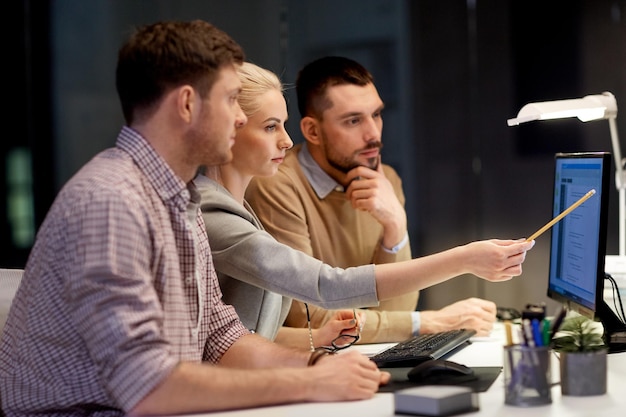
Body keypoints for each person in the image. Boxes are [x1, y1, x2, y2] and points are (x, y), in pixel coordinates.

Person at [0, 22, 390, 417]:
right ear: (187, 104)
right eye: (232, 99)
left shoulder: (178, 200)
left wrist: (315, 364)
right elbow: (147, 387)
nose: (240, 118)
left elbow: (221, 336)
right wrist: (311, 383)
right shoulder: (111, 201)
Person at [199, 62, 534, 348]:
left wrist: (395, 228)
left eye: (376, 115)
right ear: (227, 129)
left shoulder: (239, 209)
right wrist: (464, 260)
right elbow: (324, 288)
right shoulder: (219, 210)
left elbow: (244, 334)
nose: (286, 141)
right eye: (271, 126)